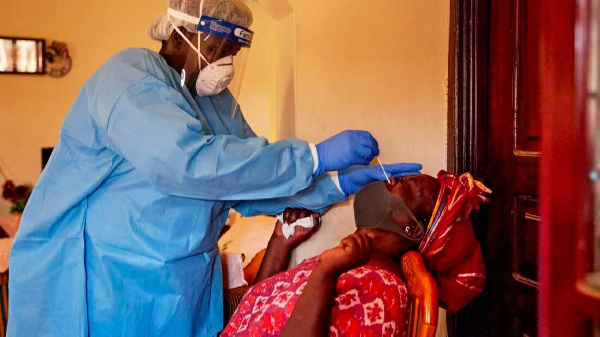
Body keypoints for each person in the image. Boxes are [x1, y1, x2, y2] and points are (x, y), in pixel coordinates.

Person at [7, 0, 422, 336]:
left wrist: (334, 184)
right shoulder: (128, 79)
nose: (226, 64)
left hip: (181, 281)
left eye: (233, 54)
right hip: (105, 277)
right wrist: (314, 156)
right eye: (220, 50)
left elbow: (246, 178)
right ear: (181, 32)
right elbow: (187, 164)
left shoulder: (215, 103)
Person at [222, 171, 490, 336]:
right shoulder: (351, 262)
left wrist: (324, 274)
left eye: (408, 186)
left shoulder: (382, 292)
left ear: (410, 227)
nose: (392, 178)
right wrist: (280, 242)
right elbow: (256, 311)